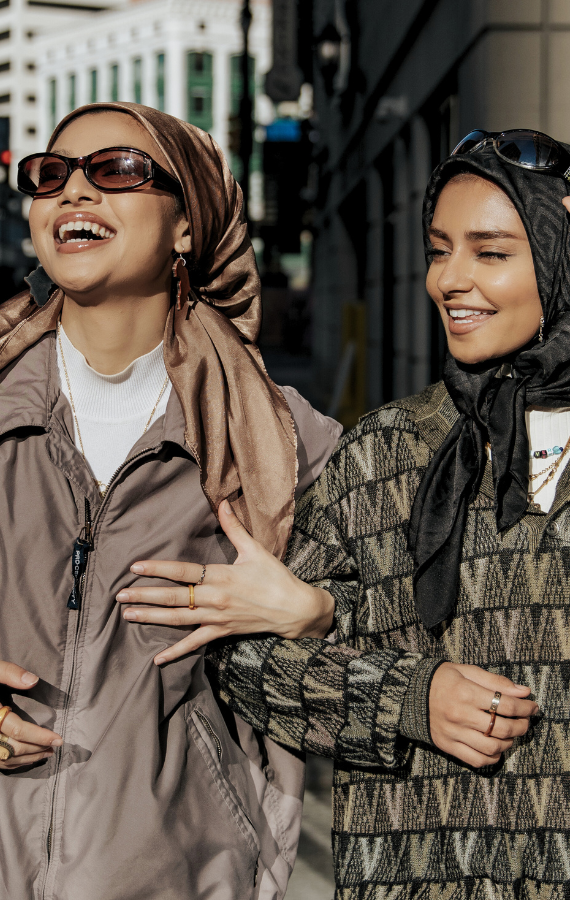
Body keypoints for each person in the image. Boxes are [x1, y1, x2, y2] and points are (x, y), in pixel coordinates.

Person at [125, 130, 570, 898]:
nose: (450, 279)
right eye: (440, 249)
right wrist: (408, 697)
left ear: (568, 260)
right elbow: (242, 664)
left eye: (490, 252)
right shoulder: (388, 451)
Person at [0, 101, 341, 900]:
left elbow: (370, 693)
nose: (72, 194)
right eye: (51, 176)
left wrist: (314, 611)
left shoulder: (288, 441)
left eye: (114, 170)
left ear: (189, 224)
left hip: (178, 875)